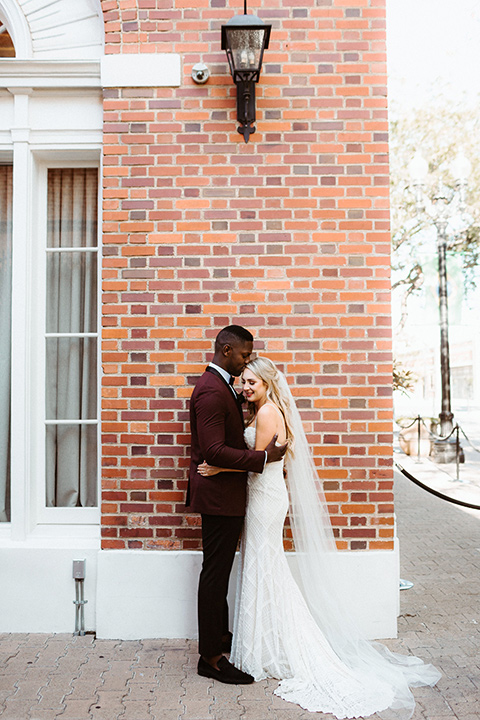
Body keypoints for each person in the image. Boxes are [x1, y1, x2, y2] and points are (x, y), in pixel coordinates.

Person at [197, 357, 441, 718]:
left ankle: (275, 643)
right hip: (262, 495)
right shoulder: (262, 409)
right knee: (262, 566)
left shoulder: (266, 414)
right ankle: (262, 640)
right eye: (243, 381)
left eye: (253, 382)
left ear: (267, 383)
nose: (246, 387)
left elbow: (258, 459)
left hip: (264, 498)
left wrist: (219, 464)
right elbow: (258, 456)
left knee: (266, 566)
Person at [187, 327, 287, 685]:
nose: (247, 361)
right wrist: (261, 458)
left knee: (218, 573)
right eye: (244, 355)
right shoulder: (212, 391)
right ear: (226, 350)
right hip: (218, 496)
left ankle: (221, 639)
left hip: (226, 495)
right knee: (214, 576)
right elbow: (213, 451)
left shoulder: (220, 386)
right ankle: (211, 658)